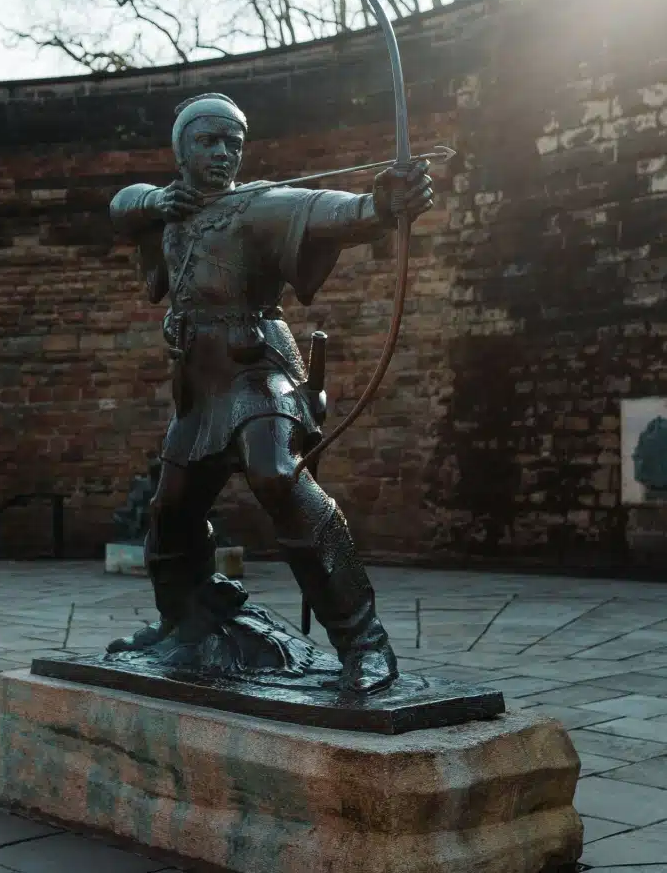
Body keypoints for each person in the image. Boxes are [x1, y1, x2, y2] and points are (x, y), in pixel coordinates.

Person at [106, 93, 433, 694]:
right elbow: (121, 205)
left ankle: (365, 642)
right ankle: (184, 619)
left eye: (234, 142)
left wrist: (383, 205)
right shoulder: (166, 211)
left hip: (258, 369)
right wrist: (158, 201)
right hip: (199, 384)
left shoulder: (257, 205)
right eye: (209, 141)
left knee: (276, 473)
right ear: (182, 150)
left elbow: (329, 209)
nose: (224, 153)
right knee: (171, 509)